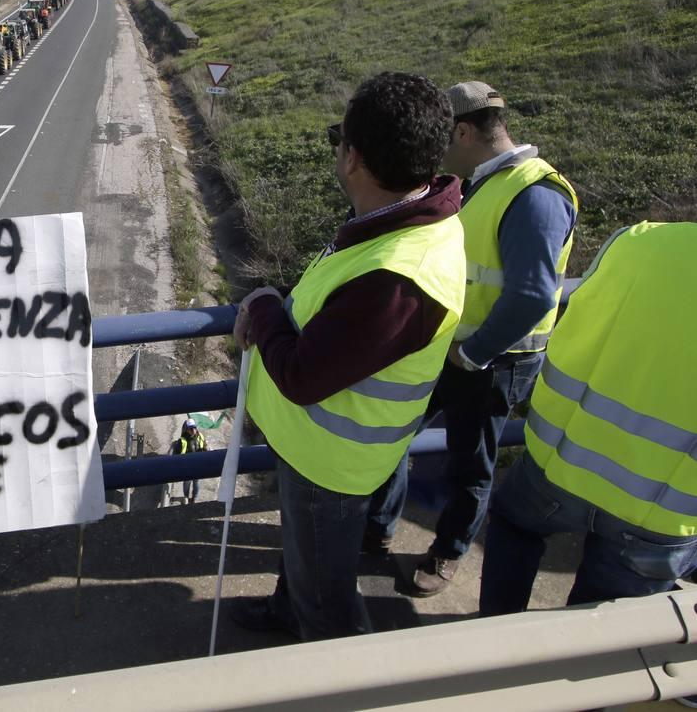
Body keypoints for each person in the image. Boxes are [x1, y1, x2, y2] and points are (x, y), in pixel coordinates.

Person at [228, 72, 465, 640]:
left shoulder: (398, 275)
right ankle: (285, 615)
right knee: (304, 566)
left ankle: (343, 678)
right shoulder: (406, 223)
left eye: (339, 137)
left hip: (330, 465)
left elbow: (305, 376)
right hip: (318, 449)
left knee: (327, 600)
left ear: (353, 157)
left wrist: (262, 305)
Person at [365, 81, 578, 598]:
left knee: (470, 463)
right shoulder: (481, 181)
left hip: (491, 360)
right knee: (390, 432)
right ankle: (376, 530)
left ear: (463, 130)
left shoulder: (534, 194)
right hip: (448, 348)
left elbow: (532, 295)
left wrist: (473, 351)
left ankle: (447, 553)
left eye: (442, 137)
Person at [479, 221, 697, 615]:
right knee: (597, 627)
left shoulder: (640, 240)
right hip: (662, 513)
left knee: (514, 528)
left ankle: (495, 631)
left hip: (561, 461)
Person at [170, 419, 207, 504]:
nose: (193, 430)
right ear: (186, 429)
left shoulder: (200, 436)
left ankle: (194, 498)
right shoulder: (182, 441)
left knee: (196, 483)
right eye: (191, 428)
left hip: (198, 465)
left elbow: (205, 447)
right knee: (187, 483)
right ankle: (186, 497)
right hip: (187, 467)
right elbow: (176, 455)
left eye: (194, 428)